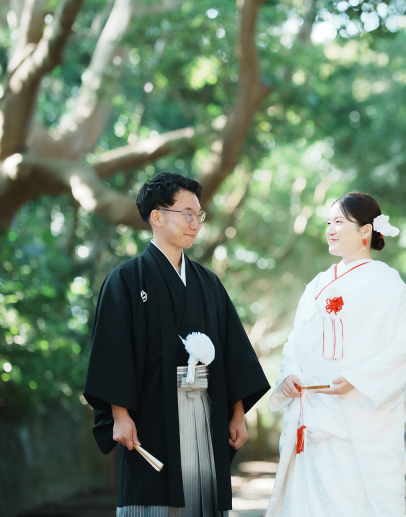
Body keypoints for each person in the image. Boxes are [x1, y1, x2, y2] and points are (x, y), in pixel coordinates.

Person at [84, 172, 270, 517]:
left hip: (206, 410)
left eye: (198, 215)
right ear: (157, 216)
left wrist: (237, 414)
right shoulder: (125, 279)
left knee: (203, 498)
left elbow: (233, 352)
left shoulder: (209, 283)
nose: (195, 223)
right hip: (151, 414)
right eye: (186, 213)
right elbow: (113, 353)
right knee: (152, 500)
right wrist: (119, 416)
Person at [265, 191, 406, 517]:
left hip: (358, 417)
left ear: (366, 230)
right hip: (312, 414)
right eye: (328, 223)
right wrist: (289, 375)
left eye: (339, 222)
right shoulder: (317, 284)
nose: (331, 230)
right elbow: (295, 343)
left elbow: (404, 345)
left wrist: (356, 379)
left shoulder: (387, 283)